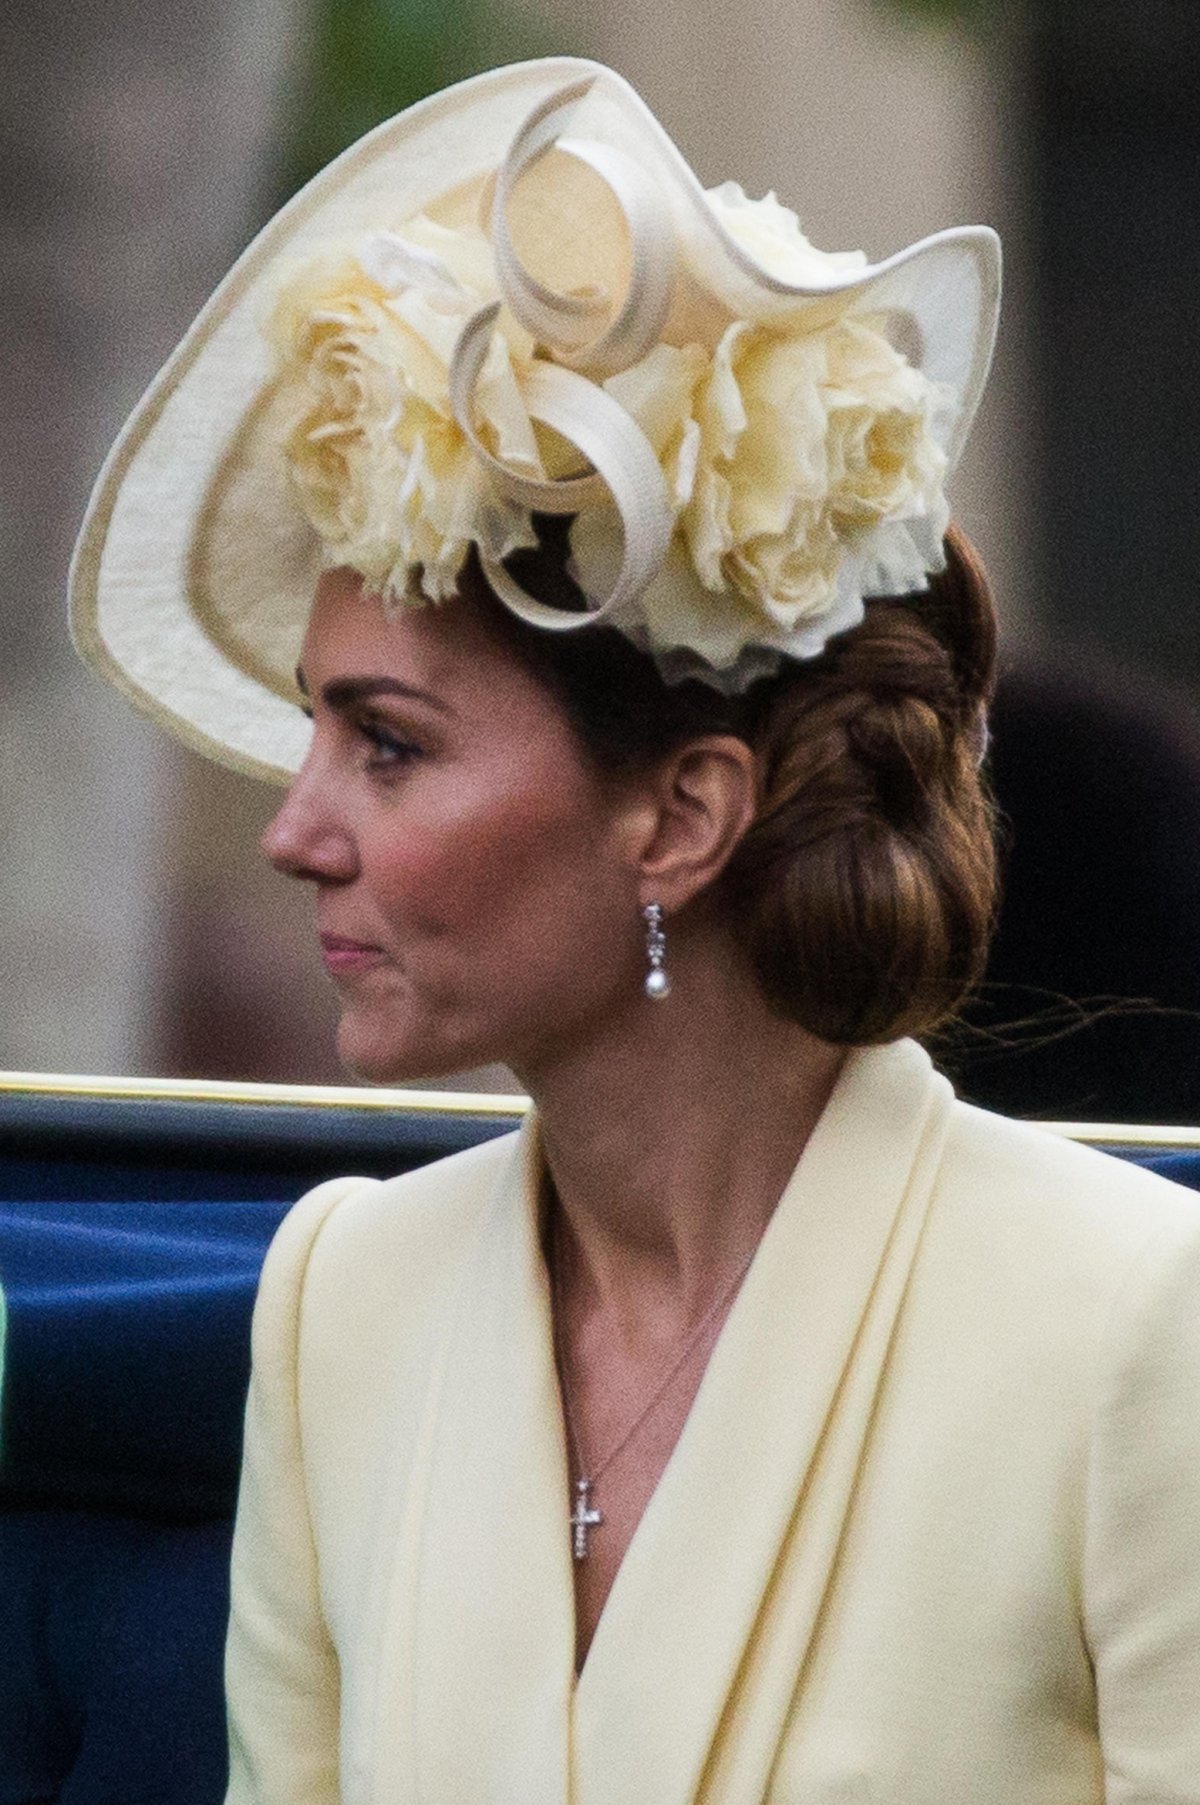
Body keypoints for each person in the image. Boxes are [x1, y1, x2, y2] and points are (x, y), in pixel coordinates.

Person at [70, 58, 1200, 1805]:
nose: (297, 831)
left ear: (678, 816)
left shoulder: (1134, 1322)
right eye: (314, 735)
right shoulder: (338, 1305)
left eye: (388, 743)